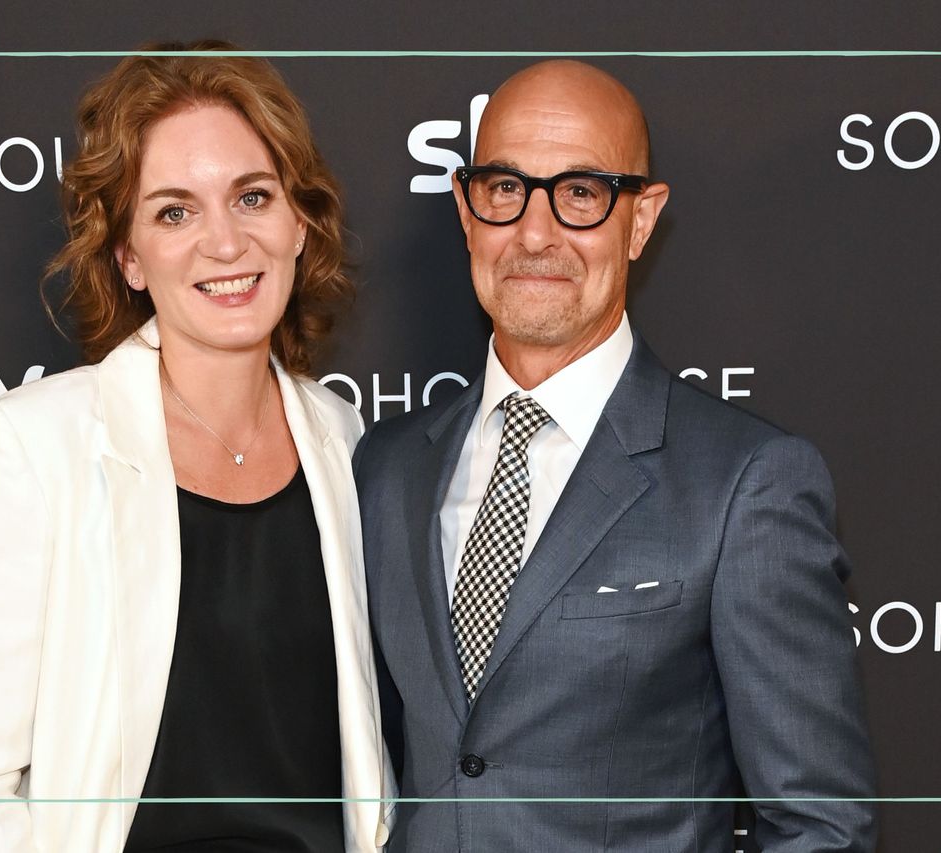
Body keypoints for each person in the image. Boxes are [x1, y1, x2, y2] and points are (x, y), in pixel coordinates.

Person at [354, 59, 876, 851]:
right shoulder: (386, 468)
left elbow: (818, 825)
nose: (535, 233)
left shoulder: (745, 485)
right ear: (465, 209)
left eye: (581, 193)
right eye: (505, 188)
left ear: (640, 218)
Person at [0, 42, 391, 853]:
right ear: (129, 256)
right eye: (175, 211)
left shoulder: (347, 443)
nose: (224, 242)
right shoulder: (28, 450)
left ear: (298, 222)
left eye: (252, 197)